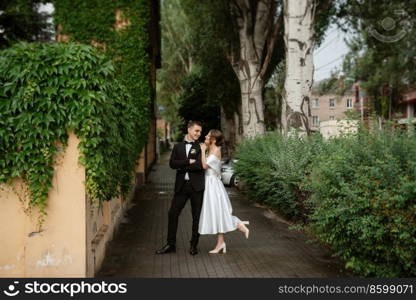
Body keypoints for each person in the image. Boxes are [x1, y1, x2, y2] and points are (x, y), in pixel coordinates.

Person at [155, 120, 205, 255]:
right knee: (172, 214)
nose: (198, 134)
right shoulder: (178, 147)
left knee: (196, 217)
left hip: (197, 187)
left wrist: (182, 165)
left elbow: (200, 165)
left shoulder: (201, 146)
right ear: (189, 129)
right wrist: (188, 161)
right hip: (181, 186)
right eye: (196, 131)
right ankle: (171, 244)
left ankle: (194, 245)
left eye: (200, 131)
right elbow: (172, 164)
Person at [198, 129, 250, 254]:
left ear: (213, 139)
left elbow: (204, 166)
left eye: (208, 135)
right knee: (216, 213)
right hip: (209, 183)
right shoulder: (211, 149)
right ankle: (221, 243)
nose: (205, 136)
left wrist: (201, 150)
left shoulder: (215, 150)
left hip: (213, 185)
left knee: (218, 212)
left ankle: (237, 224)